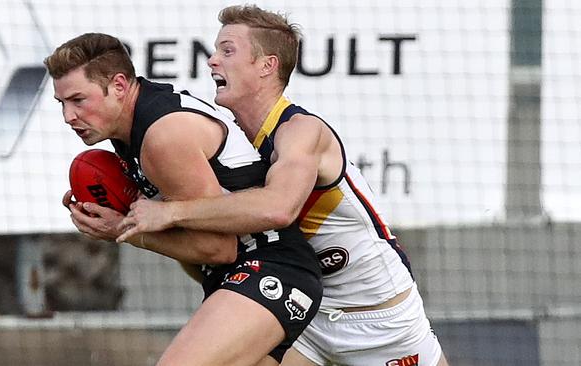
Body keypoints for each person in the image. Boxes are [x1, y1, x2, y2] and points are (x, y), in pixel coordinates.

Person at [116, 5, 449, 366]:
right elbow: (215, 254)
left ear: (267, 65)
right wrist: (127, 227)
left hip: (380, 318)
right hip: (306, 313)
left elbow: (277, 208)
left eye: (227, 51)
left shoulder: (301, 131)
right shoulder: (227, 146)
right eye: (214, 51)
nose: (212, 61)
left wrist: (171, 212)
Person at [44, 32, 323, 366]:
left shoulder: (163, 137)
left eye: (78, 100)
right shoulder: (132, 125)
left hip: (271, 269)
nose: (68, 116)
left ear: (118, 85)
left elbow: (217, 249)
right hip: (238, 275)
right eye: (62, 103)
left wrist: (124, 229)